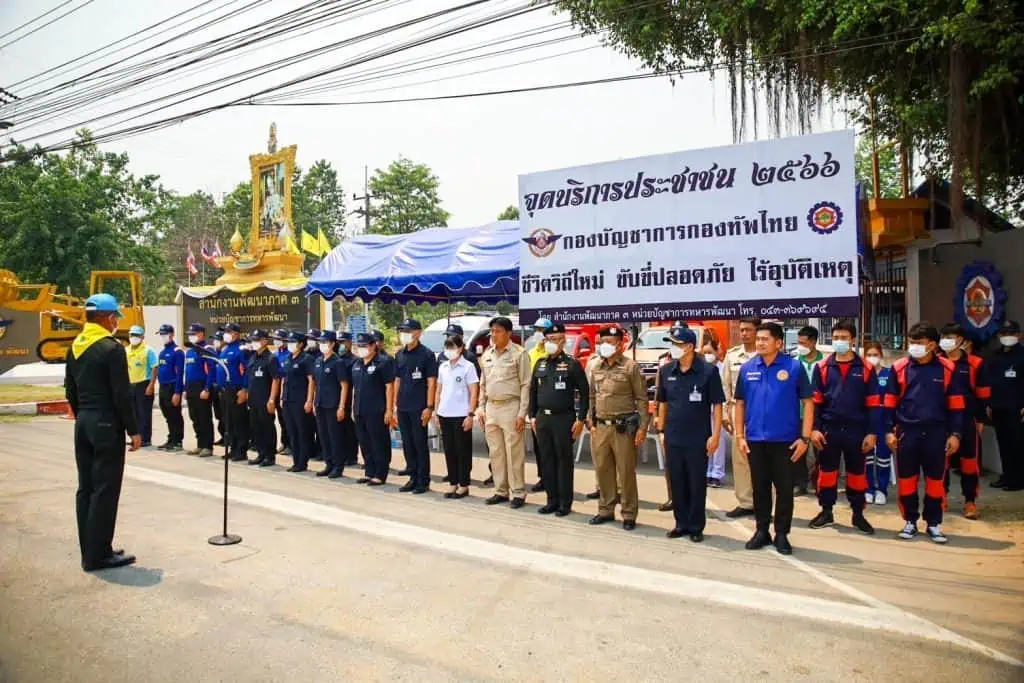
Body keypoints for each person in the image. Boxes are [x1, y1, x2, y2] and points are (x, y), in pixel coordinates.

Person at [65, 293, 141, 571]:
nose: (115, 323)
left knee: (86, 488)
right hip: (106, 423)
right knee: (106, 489)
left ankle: (92, 548)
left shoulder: (76, 346)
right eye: (115, 318)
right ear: (109, 318)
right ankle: (99, 555)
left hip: (83, 421)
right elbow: (122, 395)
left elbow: (70, 390)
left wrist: (82, 414)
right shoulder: (111, 349)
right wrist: (134, 430)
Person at [734, 322, 813, 555]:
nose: (759, 343)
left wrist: (805, 438)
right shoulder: (747, 368)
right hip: (755, 440)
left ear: (778, 343)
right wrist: (740, 435)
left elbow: (808, 402)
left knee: (785, 489)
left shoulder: (794, 368)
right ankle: (761, 530)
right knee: (759, 488)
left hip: (786, 441)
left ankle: (781, 533)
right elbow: (739, 403)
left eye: (765, 339)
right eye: (758, 339)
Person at [883, 322, 965, 544]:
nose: (914, 347)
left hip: (937, 433)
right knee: (907, 480)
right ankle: (909, 521)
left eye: (918, 343)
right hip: (906, 433)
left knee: (935, 481)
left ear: (931, 345)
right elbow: (889, 403)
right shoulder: (899, 367)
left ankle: (934, 524)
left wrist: (955, 434)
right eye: (911, 342)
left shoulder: (948, 369)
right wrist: (888, 432)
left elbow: (956, 405)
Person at [807, 320, 880, 535]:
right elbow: (816, 402)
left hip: (857, 431)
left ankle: (858, 514)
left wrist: (872, 432)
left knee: (857, 474)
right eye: (836, 338)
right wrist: (814, 429)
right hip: (829, 430)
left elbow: (875, 403)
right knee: (827, 473)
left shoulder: (866, 368)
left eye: (844, 338)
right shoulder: (822, 367)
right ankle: (826, 511)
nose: (839, 341)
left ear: (853, 340)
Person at [656, 324, 725, 542]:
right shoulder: (666, 371)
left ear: (689, 347)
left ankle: (696, 526)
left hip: (698, 438)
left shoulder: (708, 371)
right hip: (673, 436)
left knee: (696, 483)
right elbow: (663, 402)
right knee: (677, 482)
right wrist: (660, 429)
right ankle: (681, 523)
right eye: (672, 345)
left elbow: (717, 405)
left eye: (677, 345)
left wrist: (715, 436)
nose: (673, 349)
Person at [586, 325, 648, 530]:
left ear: (620, 345)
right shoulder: (596, 367)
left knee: (626, 472)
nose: (605, 346)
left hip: (623, 428)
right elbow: (592, 396)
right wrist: (590, 420)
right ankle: (605, 509)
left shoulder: (631, 367)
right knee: (603, 470)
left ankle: (629, 513)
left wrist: (642, 428)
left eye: (610, 343)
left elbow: (641, 399)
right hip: (601, 426)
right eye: (602, 342)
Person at [529, 322, 589, 516]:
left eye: (555, 339)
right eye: (548, 339)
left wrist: (580, 419)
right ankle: (551, 500)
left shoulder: (572, 364)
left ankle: (565, 503)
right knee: (547, 461)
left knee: (563, 461)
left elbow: (585, 393)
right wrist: (532, 416)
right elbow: (533, 391)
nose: (550, 343)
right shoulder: (541, 363)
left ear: (563, 342)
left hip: (564, 419)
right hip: (542, 419)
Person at [476, 316, 531, 508]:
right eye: (492, 331)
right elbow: (483, 384)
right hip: (491, 407)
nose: (494, 335)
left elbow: (526, 385)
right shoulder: (487, 355)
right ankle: (500, 490)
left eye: (498, 331)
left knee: (514, 452)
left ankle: (518, 492)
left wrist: (521, 413)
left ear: (508, 333)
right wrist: (480, 408)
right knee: (496, 452)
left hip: (511, 406)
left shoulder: (519, 354)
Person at [939, 322, 991, 518]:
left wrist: (980, 420)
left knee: (969, 463)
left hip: (967, 420)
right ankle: (940, 497)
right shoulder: (936, 363)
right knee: (941, 462)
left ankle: (970, 501)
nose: (946, 341)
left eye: (951, 337)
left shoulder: (975, 364)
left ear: (961, 341)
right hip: (942, 420)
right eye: (944, 337)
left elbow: (983, 394)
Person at [436, 323, 486, 485]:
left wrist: (471, 414)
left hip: (461, 414)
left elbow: (474, 392)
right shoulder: (443, 366)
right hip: (445, 414)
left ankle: (463, 484)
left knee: (462, 450)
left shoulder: (469, 365)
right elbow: (438, 391)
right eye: (447, 346)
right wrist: (436, 412)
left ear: (461, 348)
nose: (449, 350)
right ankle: (453, 482)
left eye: (453, 347)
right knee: (449, 450)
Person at [392, 319, 438, 493]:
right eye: (402, 331)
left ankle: (423, 480)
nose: (404, 334)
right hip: (403, 406)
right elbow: (397, 380)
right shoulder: (400, 354)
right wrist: (395, 405)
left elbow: (431, 382)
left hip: (419, 407)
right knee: (408, 443)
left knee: (419, 443)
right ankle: (413, 476)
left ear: (418, 333)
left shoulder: (426, 354)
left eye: (408, 331)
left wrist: (429, 406)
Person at [723, 316, 760, 517]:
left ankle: (764, 503)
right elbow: (725, 386)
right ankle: (746, 503)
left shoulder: (767, 354)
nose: (744, 333)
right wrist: (725, 413)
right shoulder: (732, 355)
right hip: (738, 413)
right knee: (741, 460)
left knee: (763, 459)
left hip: (762, 413)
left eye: (748, 330)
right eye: (742, 329)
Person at [350, 332, 395, 486]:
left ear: (373, 346)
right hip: (360, 409)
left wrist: (389, 410)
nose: (361, 349)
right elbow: (355, 388)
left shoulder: (382, 362)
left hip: (377, 410)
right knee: (365, 442)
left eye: (364, 346)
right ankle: (369, 472)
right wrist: (352, 408)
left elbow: (389, 387)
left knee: (378, 443)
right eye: (359, 346)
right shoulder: (357, 364)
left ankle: (380, 474)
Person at [987, 320, 1024, 491]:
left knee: (1016, 443)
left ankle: (1018, 479)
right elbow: (990, 382)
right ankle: (1007, 476)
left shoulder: (1022, 355)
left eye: (1011, 334)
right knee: (1003, 443)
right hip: (998, 406)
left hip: (1017, 407)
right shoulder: (995, 356)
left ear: (1019, 335)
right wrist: (988, 403)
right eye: (1004, 334)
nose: (1007, 337)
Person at [309, 330, 345, 478]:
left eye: (325, 342)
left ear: (332, 344)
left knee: (334, 436)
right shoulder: (318, 361)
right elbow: (314, 383)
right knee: (323, 435)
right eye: (320, 342)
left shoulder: (338, 362)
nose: (322, 345)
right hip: (320, 403)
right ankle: (328, 463)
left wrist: (341, 406)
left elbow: (344, 385)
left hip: (333, 404)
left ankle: (338, 466)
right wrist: (312, 401)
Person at [793, 325, 825, 495]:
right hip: (798, 411)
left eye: (804, 343)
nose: (801, 346)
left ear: (813, 342)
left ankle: (819, 482)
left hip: (820, 413)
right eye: (799, 343)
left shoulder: (825, 362)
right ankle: (800, 482)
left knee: (821, 448)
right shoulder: (794, 362)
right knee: (799, 448)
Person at [862, 342, 893, 505]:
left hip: (884, 419)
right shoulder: (861, 374)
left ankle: (881, 489)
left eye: (875, 354)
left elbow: (894, 398)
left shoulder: (889, 374)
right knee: (866, 456)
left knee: (883, 456)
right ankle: (868, 488)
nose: (872, 358)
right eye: (869, 355)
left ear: (881, 356)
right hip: (865, 420)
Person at [280, 331, 315, 473]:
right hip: (288, 400)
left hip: (300, 400)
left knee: (302, 431)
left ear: (301, 344)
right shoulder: (288, 358)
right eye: (288, 341)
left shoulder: (306, 359)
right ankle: (295, 460)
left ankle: (302, 462)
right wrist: (282, 397)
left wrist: (309, 400)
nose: (290, 344)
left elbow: (311, 381)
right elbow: (284, 379)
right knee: (292, 432)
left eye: (293, 342)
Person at [526, 317, 554, 492]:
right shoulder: (531, 353)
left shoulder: (554, 352)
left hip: (553, 403)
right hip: (536, 403)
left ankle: (554, 478)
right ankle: (543, 477)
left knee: (554, 445)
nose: (538, 334)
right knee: (539, 445)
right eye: (536, 330)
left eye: (541, 331)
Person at [245, 329, 280, 467]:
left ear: (265, 341)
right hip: (253, 399)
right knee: (256, 428)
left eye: (257, 340)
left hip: (265, 400)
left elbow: (276, 380)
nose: (254, 343)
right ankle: (261, 453)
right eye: (253, 340)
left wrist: (272, 399)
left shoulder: (271, 359)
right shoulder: (253, 357)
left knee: (267, 428)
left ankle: (269, 456)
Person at [218, 322, 249, 462]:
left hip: (236, 389)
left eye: (228, 332)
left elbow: (247, 370)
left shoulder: (241, 349)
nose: (226, 334)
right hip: (224, 390)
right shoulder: (225, 349)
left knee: (239, 421)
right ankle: (233, 448)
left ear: (236, 334)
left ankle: (241, 450)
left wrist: (244, 389)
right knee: (228, 421)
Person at [183, 323, 215, 457]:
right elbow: (187, 371)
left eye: (193, 334)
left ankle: (207, 446)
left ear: (201, 334)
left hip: (202, 386)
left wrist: (207, 388)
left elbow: (212, 370)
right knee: (194, 417)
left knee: (204, 417)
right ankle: (200, 444)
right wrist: (185, 388)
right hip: (191, 387)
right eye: (189, 334)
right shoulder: (190, 351)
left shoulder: (207, 349)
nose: (191, 337)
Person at [702, 338, 728, 488]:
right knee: (706, 441)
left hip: (719, 410)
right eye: (704, 353)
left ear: (717, 352)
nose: (707, 355)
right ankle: (707, 472)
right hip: (704, 410)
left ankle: (717, 474)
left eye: (710, 352)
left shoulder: (722, 368)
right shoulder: (701, 369)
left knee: (718, 443)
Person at [125, 324, 157, 448]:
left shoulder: (148, 350)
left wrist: (151, 385)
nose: (134, 337)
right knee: (133, 413)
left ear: (142, 337)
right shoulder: (126, 350)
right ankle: (136, 437)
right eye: (132, 335)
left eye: (137, 335)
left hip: (144, 384)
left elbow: (154, 367)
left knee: (144, 413)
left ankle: (145, 438)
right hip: (130, 384)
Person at [156, 324, 185, 451]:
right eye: (161, 335)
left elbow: (179, 373)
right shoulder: (162, 352)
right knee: (167, 413)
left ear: (171, 335)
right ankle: (171, 438)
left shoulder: (177, 352)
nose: (162, 337)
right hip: (163, 386)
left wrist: (177, 392)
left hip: (172, 386)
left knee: (174, 414)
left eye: (164, 334)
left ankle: (177, 440)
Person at [335, 331, 360, 468]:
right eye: (339, 343)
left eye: (343, 342)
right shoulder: (336, 359)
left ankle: (352, 456)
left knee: (350, 431)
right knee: (339, 430)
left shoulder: (354, 360)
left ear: (350, 343)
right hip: (337, 398)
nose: (341, 345)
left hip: (350, 397)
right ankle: (342, 455)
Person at [272, 329, 292, 456]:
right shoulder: (275, 355)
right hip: (277, 389)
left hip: (287, 390)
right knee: (281, 419)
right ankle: (284, 443)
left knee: (288, 420)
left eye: (279, 338)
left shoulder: (289, 354)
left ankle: (290, 444)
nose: (277, 341)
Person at [210, 329, 227, 447]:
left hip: (225, 389)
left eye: (217, 340)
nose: (215, 342)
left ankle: (229, 437)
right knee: (219, 415)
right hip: (215, 389)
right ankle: (223, 436)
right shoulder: (214, 353)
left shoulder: (225, 353)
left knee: (227, 415)